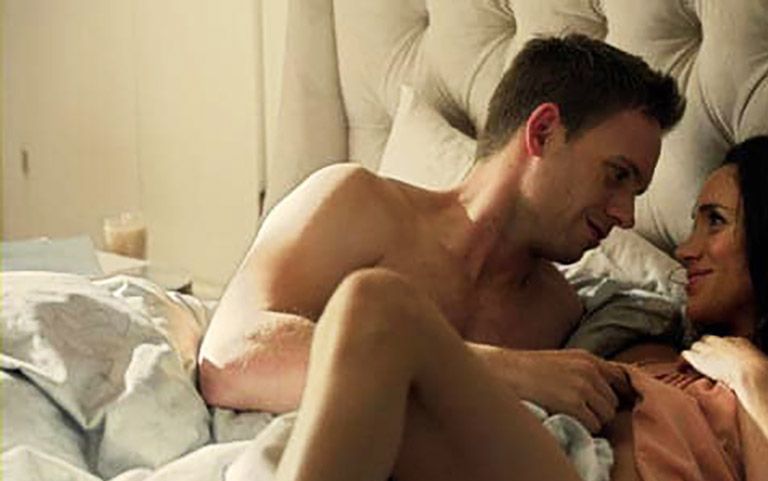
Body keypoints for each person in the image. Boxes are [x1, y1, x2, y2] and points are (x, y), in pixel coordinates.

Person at [246, 136, 768, 481]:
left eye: (715, 221)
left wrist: (757, 387)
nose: (684, 248)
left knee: (381, 307)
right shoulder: (646, 336)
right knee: (373, 306)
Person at [197, 35, 684, 429]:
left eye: (636, 191)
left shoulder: (558, 313)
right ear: (542, 132)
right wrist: (508, 371)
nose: (626, 215)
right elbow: (232, 359)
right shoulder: (358, 204)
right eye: (617, 174)